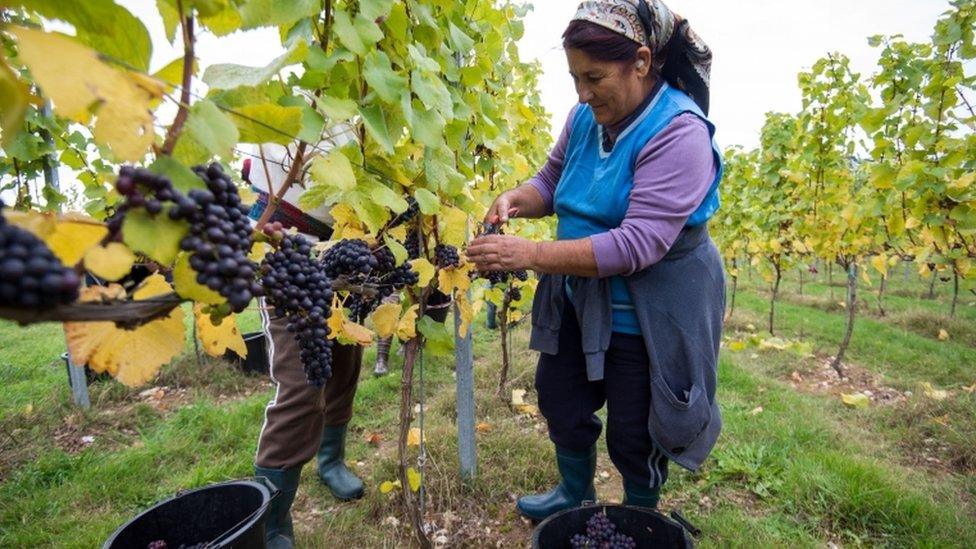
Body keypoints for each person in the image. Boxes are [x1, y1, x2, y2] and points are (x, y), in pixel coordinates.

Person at [467, 0, 724, 522]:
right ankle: (574, 493)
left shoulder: (680, 132)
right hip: (578, 294)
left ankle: (640, 514)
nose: (582, 93)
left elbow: (636, 245)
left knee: (636, 428)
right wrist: (518, 197)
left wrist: (532, 254)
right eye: (574, 78)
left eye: (594, 77)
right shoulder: (585, 116)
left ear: (643, 61)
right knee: (560, 399)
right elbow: (551, 180)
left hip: (649, 307)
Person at [244, 144, 367, 549]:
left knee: (345, 366)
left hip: (345, 251)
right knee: (301, 384)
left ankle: (330, 461)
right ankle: (273, 520)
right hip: (287, 249)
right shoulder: (298, 95)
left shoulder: (367, 102)